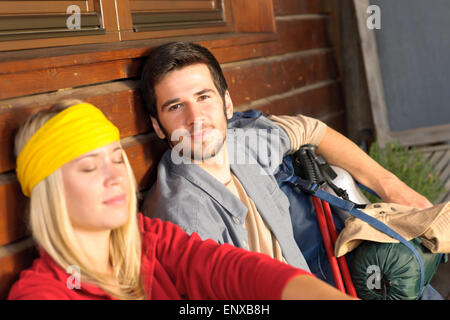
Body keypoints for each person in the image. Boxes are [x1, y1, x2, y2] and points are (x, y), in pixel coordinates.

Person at [7, 100, 354, 300]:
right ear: (51, 193)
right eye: (87, 168)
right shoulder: (40, 294)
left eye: (117, 159)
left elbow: (234, 271)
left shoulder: (149, 241)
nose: (116, 177)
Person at [140, 42, 433, 272]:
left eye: (204, 97)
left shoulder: (242, 144)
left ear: (227, 104)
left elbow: (312, 130)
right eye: (176, 107)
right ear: (157, 126)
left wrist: (391, 186)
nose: (196, 118)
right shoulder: (183, 215)